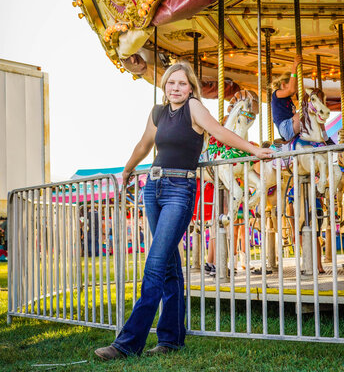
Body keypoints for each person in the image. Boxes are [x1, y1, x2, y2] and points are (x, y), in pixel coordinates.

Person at [95, 61, 272, 361]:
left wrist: (254, 150)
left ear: (190, 86)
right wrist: (126, 171)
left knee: (154, 264)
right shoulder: (158, 113)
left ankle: (128, 343)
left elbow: (219, 132)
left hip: (180, 188)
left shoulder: (194, 108)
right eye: (170, 83)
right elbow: (143, 145)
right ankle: (172, 338)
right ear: (164, 86)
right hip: (153, 187)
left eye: (181, 83)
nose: (175, 88)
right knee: (169, 267)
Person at [271, 55, 301, 142]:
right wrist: (294, 66)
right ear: (283, 84)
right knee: (307, 111)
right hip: (286, 127)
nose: (295, 89)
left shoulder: (288, 100)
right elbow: (291, 89)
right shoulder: (276, 94)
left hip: (291, 126)